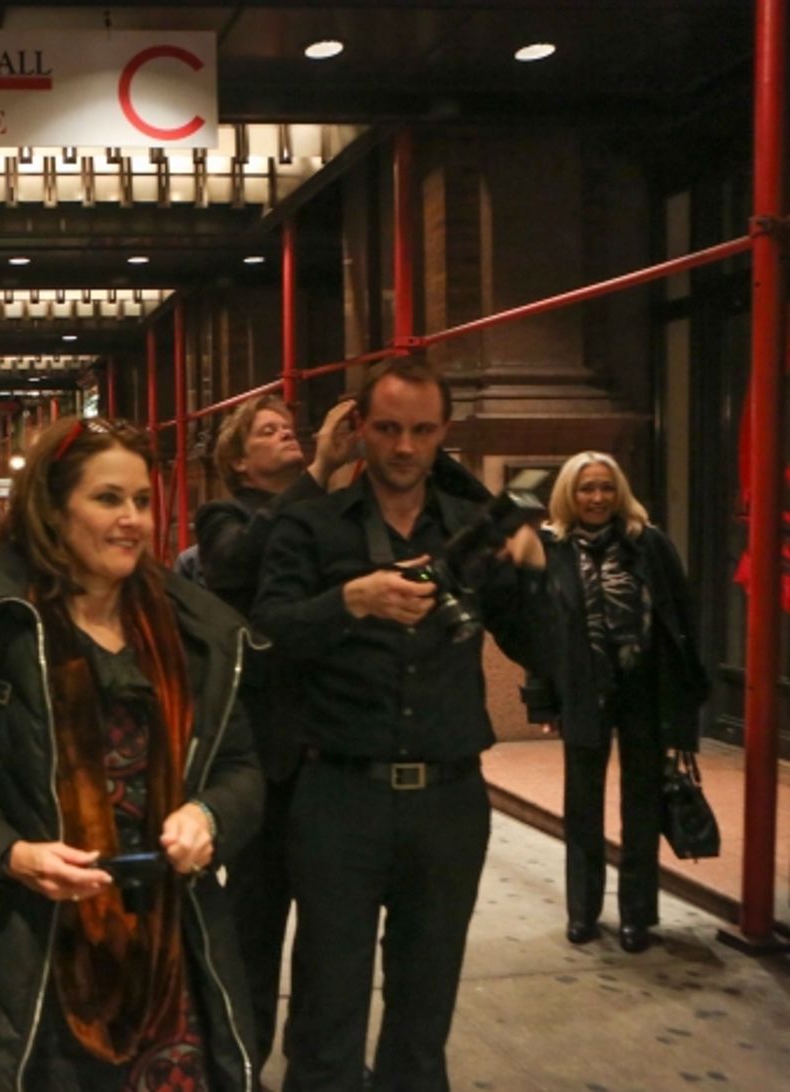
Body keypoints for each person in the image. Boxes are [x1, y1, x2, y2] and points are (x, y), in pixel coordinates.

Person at [0, 416, 264, 1090]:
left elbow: (241, 770)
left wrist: (209, 815)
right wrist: (7, 853)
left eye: (142, 501)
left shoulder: (192, 631)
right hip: (28, 959)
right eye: (108, 498)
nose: (133, 520)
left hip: (171, 954)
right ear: (54, 510)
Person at [252, 359, 549, 1092]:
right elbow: (262, 638)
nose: (405, 447)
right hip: (337, 795)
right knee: (326, 1004)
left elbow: (541, 649)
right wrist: (348, 601)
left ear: (444, 432)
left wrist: (538, 570)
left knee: (425, 1007)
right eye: (387, 428)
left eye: (421, 430)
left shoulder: (469, 533)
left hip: (449, 800)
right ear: (359, 430)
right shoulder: (309, 523)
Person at [193, 394, 356, 1076]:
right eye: (269, 431)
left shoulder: (327, 511)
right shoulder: (222, 517)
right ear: (238, 459)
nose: (286, 435)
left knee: (332, 935)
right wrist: (319, 469)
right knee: (254, 928)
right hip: (264, 759)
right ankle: (240, 1064)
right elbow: (240, 561)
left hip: (331, 753)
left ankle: (318, 1069)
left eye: (291, 427)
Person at [523, 452, 708, 954]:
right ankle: (583, 912)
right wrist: (542, 701)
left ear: (619, 491)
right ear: (569, 494)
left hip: (644, 689)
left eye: (606, 487)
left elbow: (681, 623)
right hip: (583, 689)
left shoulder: (650, 544)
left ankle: (637, 917)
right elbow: (538, 632)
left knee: (642, 806)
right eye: (587, 489)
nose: (598, 498)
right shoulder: (550, 548)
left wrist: (686, 699)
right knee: (581, 806)